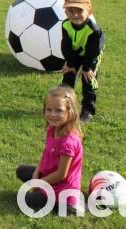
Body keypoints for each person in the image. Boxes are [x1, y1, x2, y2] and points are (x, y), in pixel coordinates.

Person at [16, 86, 84, 216]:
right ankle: (44, 193)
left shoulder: (68, 142)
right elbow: (45, 154)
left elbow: (61, 175)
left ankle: (67, 206)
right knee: (21, 171)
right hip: (49, 176)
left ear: (70, 112)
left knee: (26, 200)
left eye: (59, 110)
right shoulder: (52, 129)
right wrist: (36, 173)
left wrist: (39, 183)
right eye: (49, 110)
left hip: (62, 189)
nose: (52, 114)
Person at [60, 0, 105, 124]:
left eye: (79, 10)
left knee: (88, 80)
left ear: (89, 11)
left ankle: (88, 110)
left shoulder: (94, 30)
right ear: (66, 12)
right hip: (75, 52)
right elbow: (66, 46)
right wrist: (70, 63)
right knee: (68, 76)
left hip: (91, 55)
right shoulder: (65, 25)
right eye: (70, 10)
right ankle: (65, 104)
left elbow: (93, 51)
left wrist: (86, 68)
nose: (75, 14)